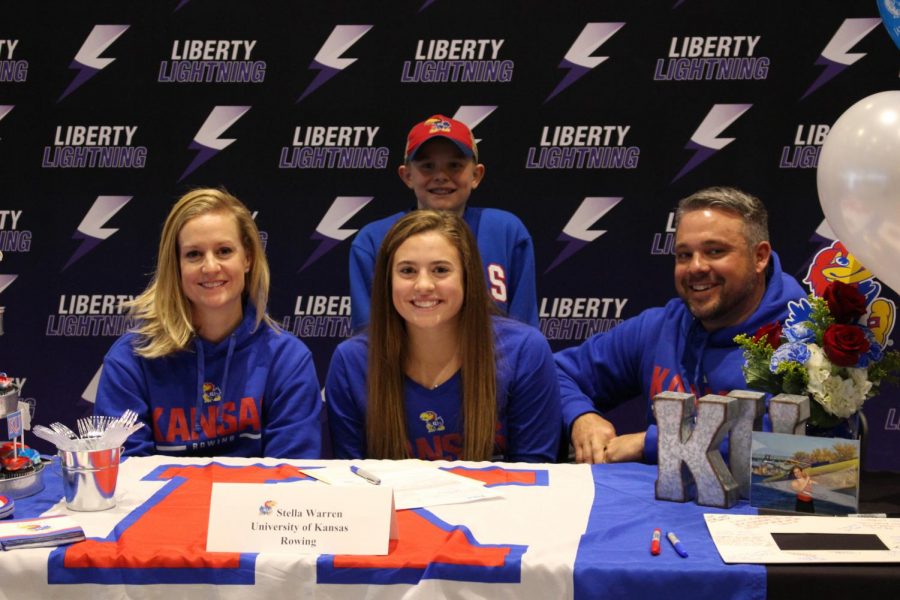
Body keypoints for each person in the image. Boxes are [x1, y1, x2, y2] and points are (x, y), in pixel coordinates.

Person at [555, 186, 805, 464]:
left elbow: (817, 460)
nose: (696, 267)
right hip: (661, 505)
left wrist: (650, 443)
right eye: (684, 255)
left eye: (715, 251)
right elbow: (553, 373)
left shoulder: (806, 342)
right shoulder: (660, 327)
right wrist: (581, 416)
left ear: (760, 257)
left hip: (759, 508)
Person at [94, 188, 322, 458]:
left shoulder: (288, 360)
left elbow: (290, 475)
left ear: (247, 258)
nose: (211, 267)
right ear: (176, 265)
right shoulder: (131, 359)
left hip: (254, 502)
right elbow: (125, 475)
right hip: (163, 501)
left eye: (224, 251)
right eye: (194, 255)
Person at [327, 210, 559, 462]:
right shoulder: (351, 361)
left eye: (440, 270)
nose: (423, 285)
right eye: (407, 271)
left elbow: (534, 477)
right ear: (387, 282)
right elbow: (351, 481)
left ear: (467, 277)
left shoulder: (525, 350)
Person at [349, 114, 539, 331]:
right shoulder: (374, 240)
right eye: (428, 166)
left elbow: (526, 332)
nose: (440, 175)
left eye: (455, 165)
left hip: (497, 363)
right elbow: (368, 337)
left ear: (476, 175)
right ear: (407, 175)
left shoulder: (506, 231)